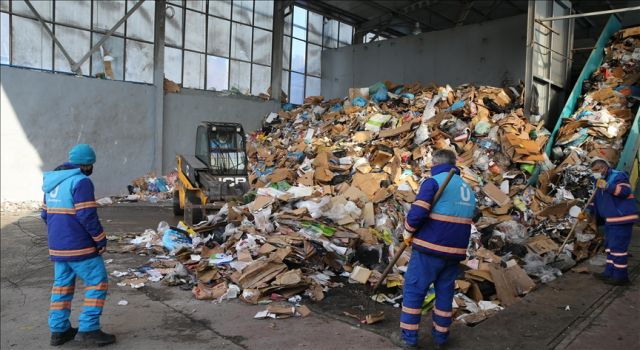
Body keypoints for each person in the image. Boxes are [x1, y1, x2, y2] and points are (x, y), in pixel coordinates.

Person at [394, 149, 476, 349]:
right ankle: (441, 338)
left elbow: (418, 212)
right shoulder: (467, 188)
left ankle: (408, 338)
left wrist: (407, 231)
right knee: (445, 294)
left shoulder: (433, 182)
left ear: (435, 164)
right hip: (455, 253)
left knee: (414, 291)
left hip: (430, 249)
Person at [41, 144, 116, 346]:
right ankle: (89, 329)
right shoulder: (81, 182)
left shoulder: (52, 181)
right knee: (97, 281)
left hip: (57, 246)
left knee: (62, 286)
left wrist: (60, 235)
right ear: (87, 164)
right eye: (91, 164)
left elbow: (44, 214)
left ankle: (59, 331)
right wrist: (100, 239)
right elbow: (87, 216)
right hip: (79, 245)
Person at [581, 158, 638, 286]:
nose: (594, 173)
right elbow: (596, 200)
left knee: (618, 249)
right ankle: (609, 273)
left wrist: (607, 186)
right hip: (610, 220)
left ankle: (620, 277)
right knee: (609, 247)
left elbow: (624, 191)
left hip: (621, 219)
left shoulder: (618, 176)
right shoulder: (598, 182)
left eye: (596, 170)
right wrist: (587, 211)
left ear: (603, 168)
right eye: (593, 171)